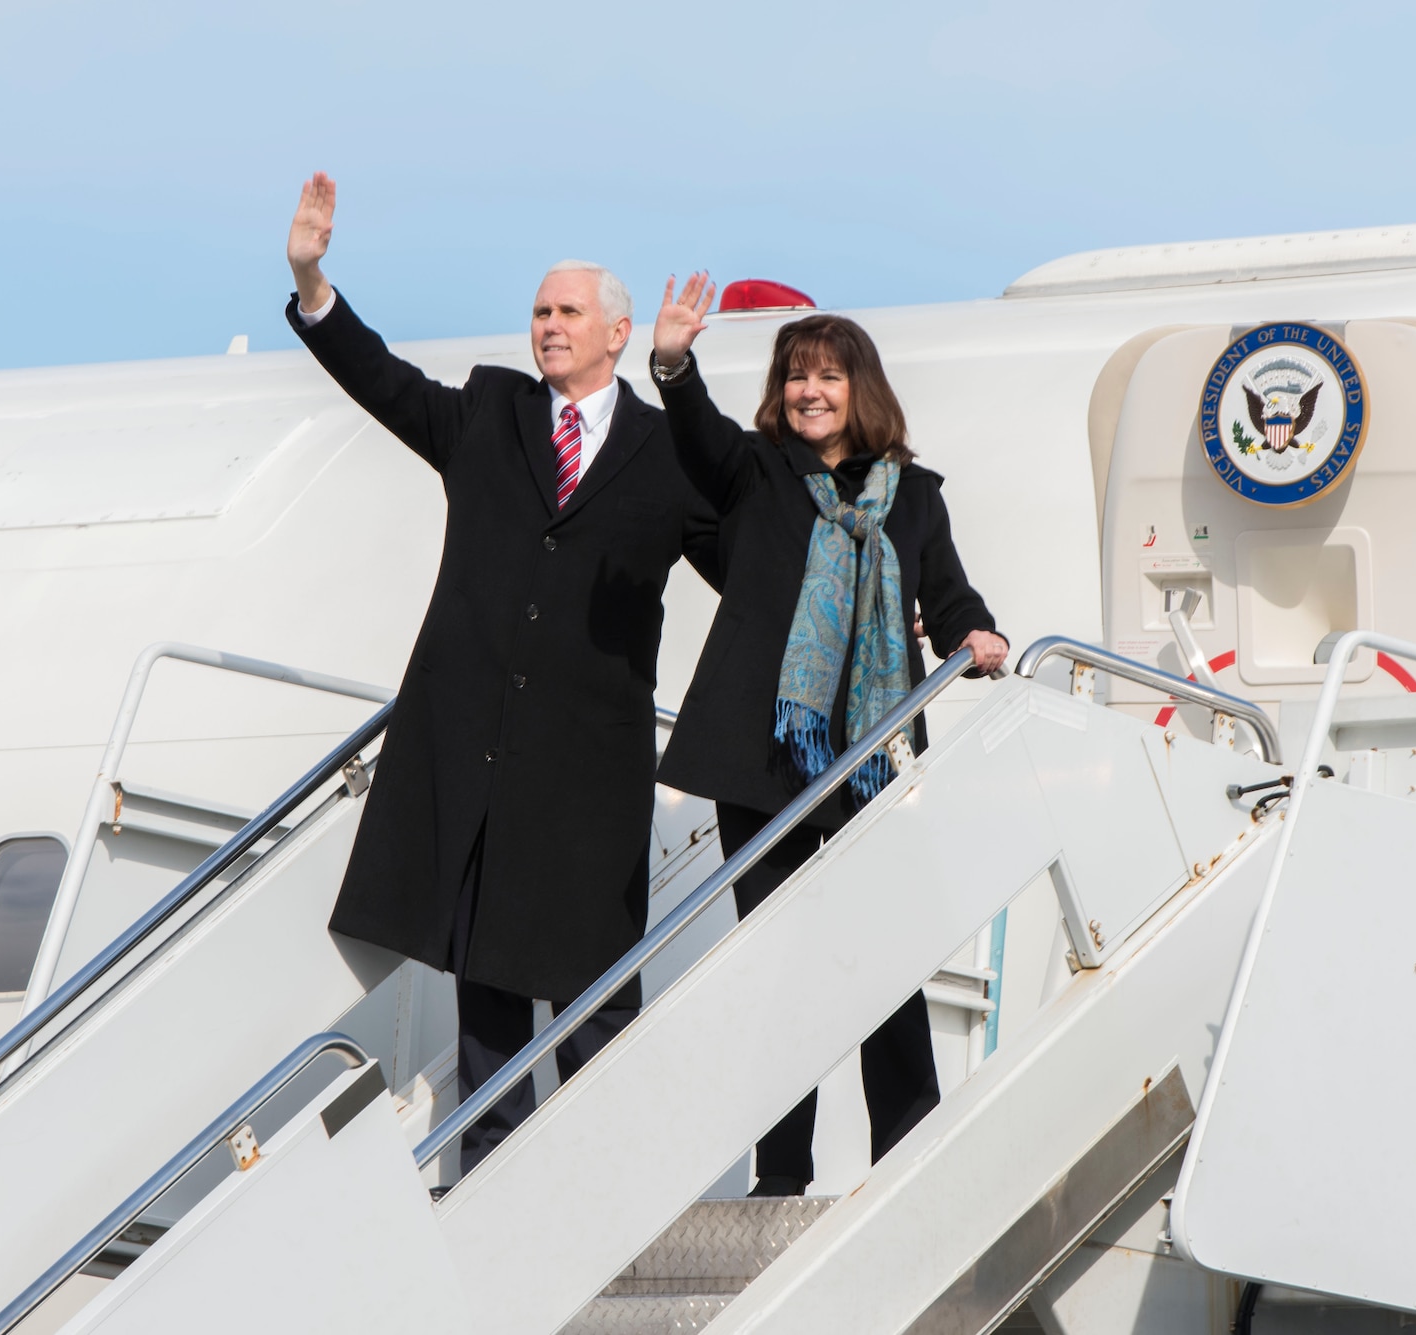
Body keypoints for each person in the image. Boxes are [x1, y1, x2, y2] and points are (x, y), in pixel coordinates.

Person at [284, 174, 717, 1173]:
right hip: (482, 752)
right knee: (486, 989)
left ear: (617, 334)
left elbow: (747, 561)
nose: (546, 327)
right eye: (537, 312)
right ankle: (491, 1166)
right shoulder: (489, 414)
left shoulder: (664, 456)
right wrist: (314, 284)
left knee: (596, 987)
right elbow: (383, 381)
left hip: (589, 763)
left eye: (566, 312)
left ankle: (610, 1177)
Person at [647, 271, 1009, 1196]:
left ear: (862, 391)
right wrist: (675, 365)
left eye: (828, 378)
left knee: (883, 959)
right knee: (778, 967)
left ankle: (910, 1153)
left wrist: (980, 629)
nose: (810, 392)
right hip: (759, 759)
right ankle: (781, 1176)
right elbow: (697, 437)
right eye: (796, 376)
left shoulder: (916, 497)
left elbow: (949, 591)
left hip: (871, 761)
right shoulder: (758, 473)